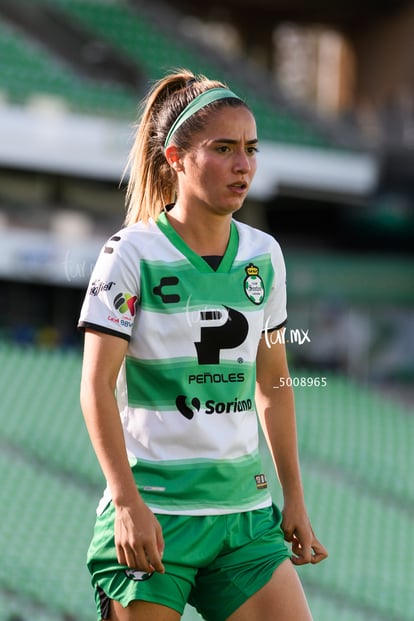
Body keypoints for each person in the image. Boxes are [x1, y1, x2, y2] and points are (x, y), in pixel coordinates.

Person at [78, 68, 328, 621]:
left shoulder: (265, 255)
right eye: (223, 149)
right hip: (155, 515)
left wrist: (295, 498)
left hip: (244, 518)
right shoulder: (129, 255)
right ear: (175, 158)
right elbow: (94, 386)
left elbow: (274, 384)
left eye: (251, 149)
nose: (244, 165)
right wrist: (126, 503)